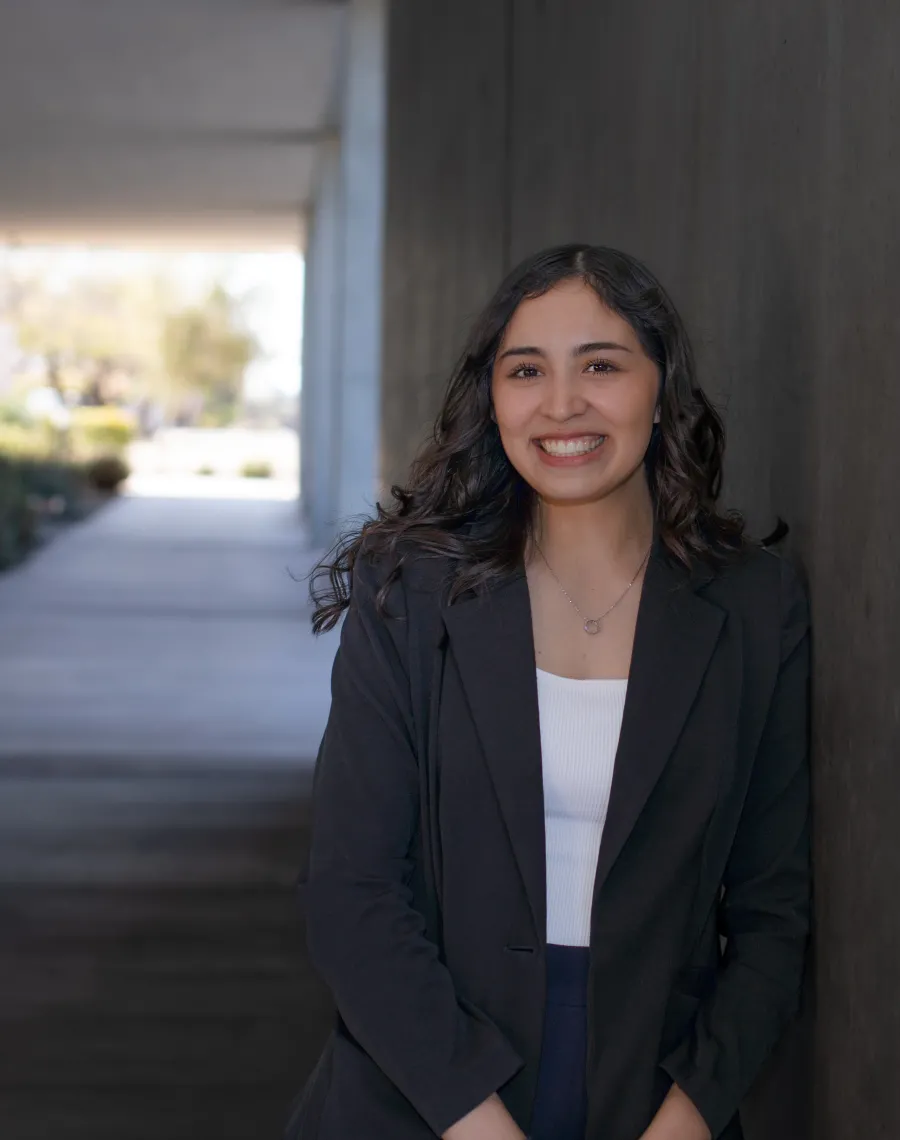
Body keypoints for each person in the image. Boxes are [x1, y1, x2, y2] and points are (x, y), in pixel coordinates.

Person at [286, 244, 811, 1140]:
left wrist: (686, 1120)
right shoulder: (410, 590)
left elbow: (773, 912)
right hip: (424, 1097)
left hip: (652, 1101)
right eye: (525, 370)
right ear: (491, 399)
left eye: (601, 366)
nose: (561, 404)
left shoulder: (754, 605)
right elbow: (352, 892)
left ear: (661, 386)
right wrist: (476, 1124)